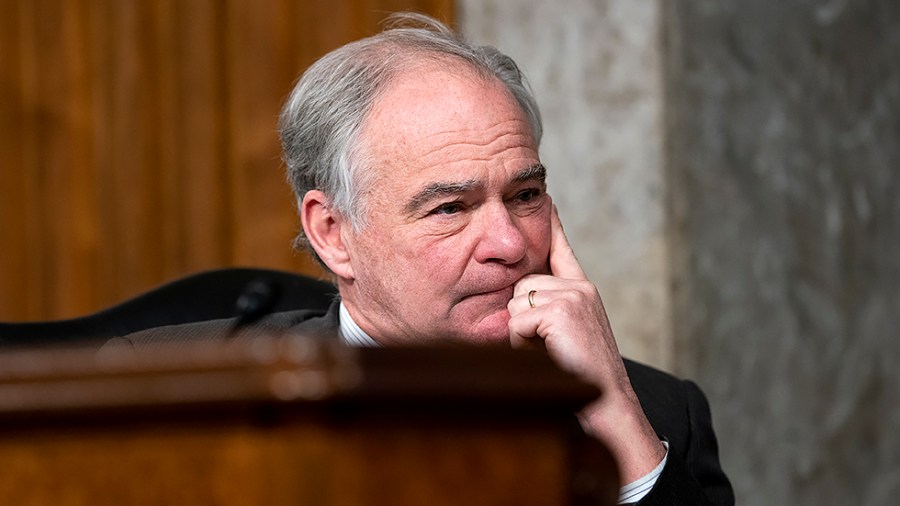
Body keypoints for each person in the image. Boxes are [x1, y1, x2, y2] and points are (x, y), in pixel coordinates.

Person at [118, 13, 733, 505]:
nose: (511, 245)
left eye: (524, 196)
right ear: (333, 231)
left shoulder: (656, 414)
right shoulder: (161, 394)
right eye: (450, 209)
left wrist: (612, 417)